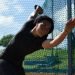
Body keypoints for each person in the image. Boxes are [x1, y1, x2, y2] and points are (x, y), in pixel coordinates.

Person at [0, 5, 75, 75]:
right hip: (4, 60)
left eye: (48, 29)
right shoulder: (28, 25)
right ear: (36, 23)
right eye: (44, 24)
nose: (45, 28)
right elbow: (32, 16)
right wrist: (37, 10)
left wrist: (66, 31)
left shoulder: (40, 42)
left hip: (17, 65)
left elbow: (53, 43)